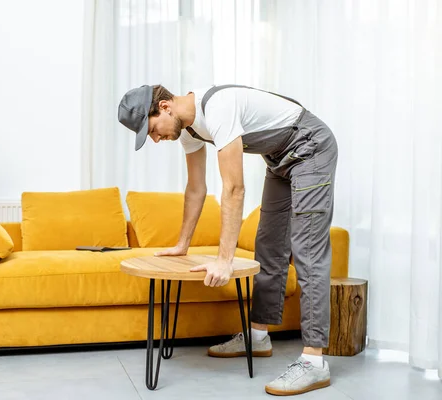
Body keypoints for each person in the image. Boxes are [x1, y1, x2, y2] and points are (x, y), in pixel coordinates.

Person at [118, 84, 337, 396]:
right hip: (279, 158)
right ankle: (258, 337)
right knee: (269, 245)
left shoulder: (218, 107)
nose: (155, 139)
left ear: (165, 106)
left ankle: (314, 362)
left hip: (311, 147)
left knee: (307, 249)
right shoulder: (189, 131)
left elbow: (234, 189)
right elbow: (196, 189)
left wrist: (225, 260)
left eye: (152, 130)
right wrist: (183, 244)